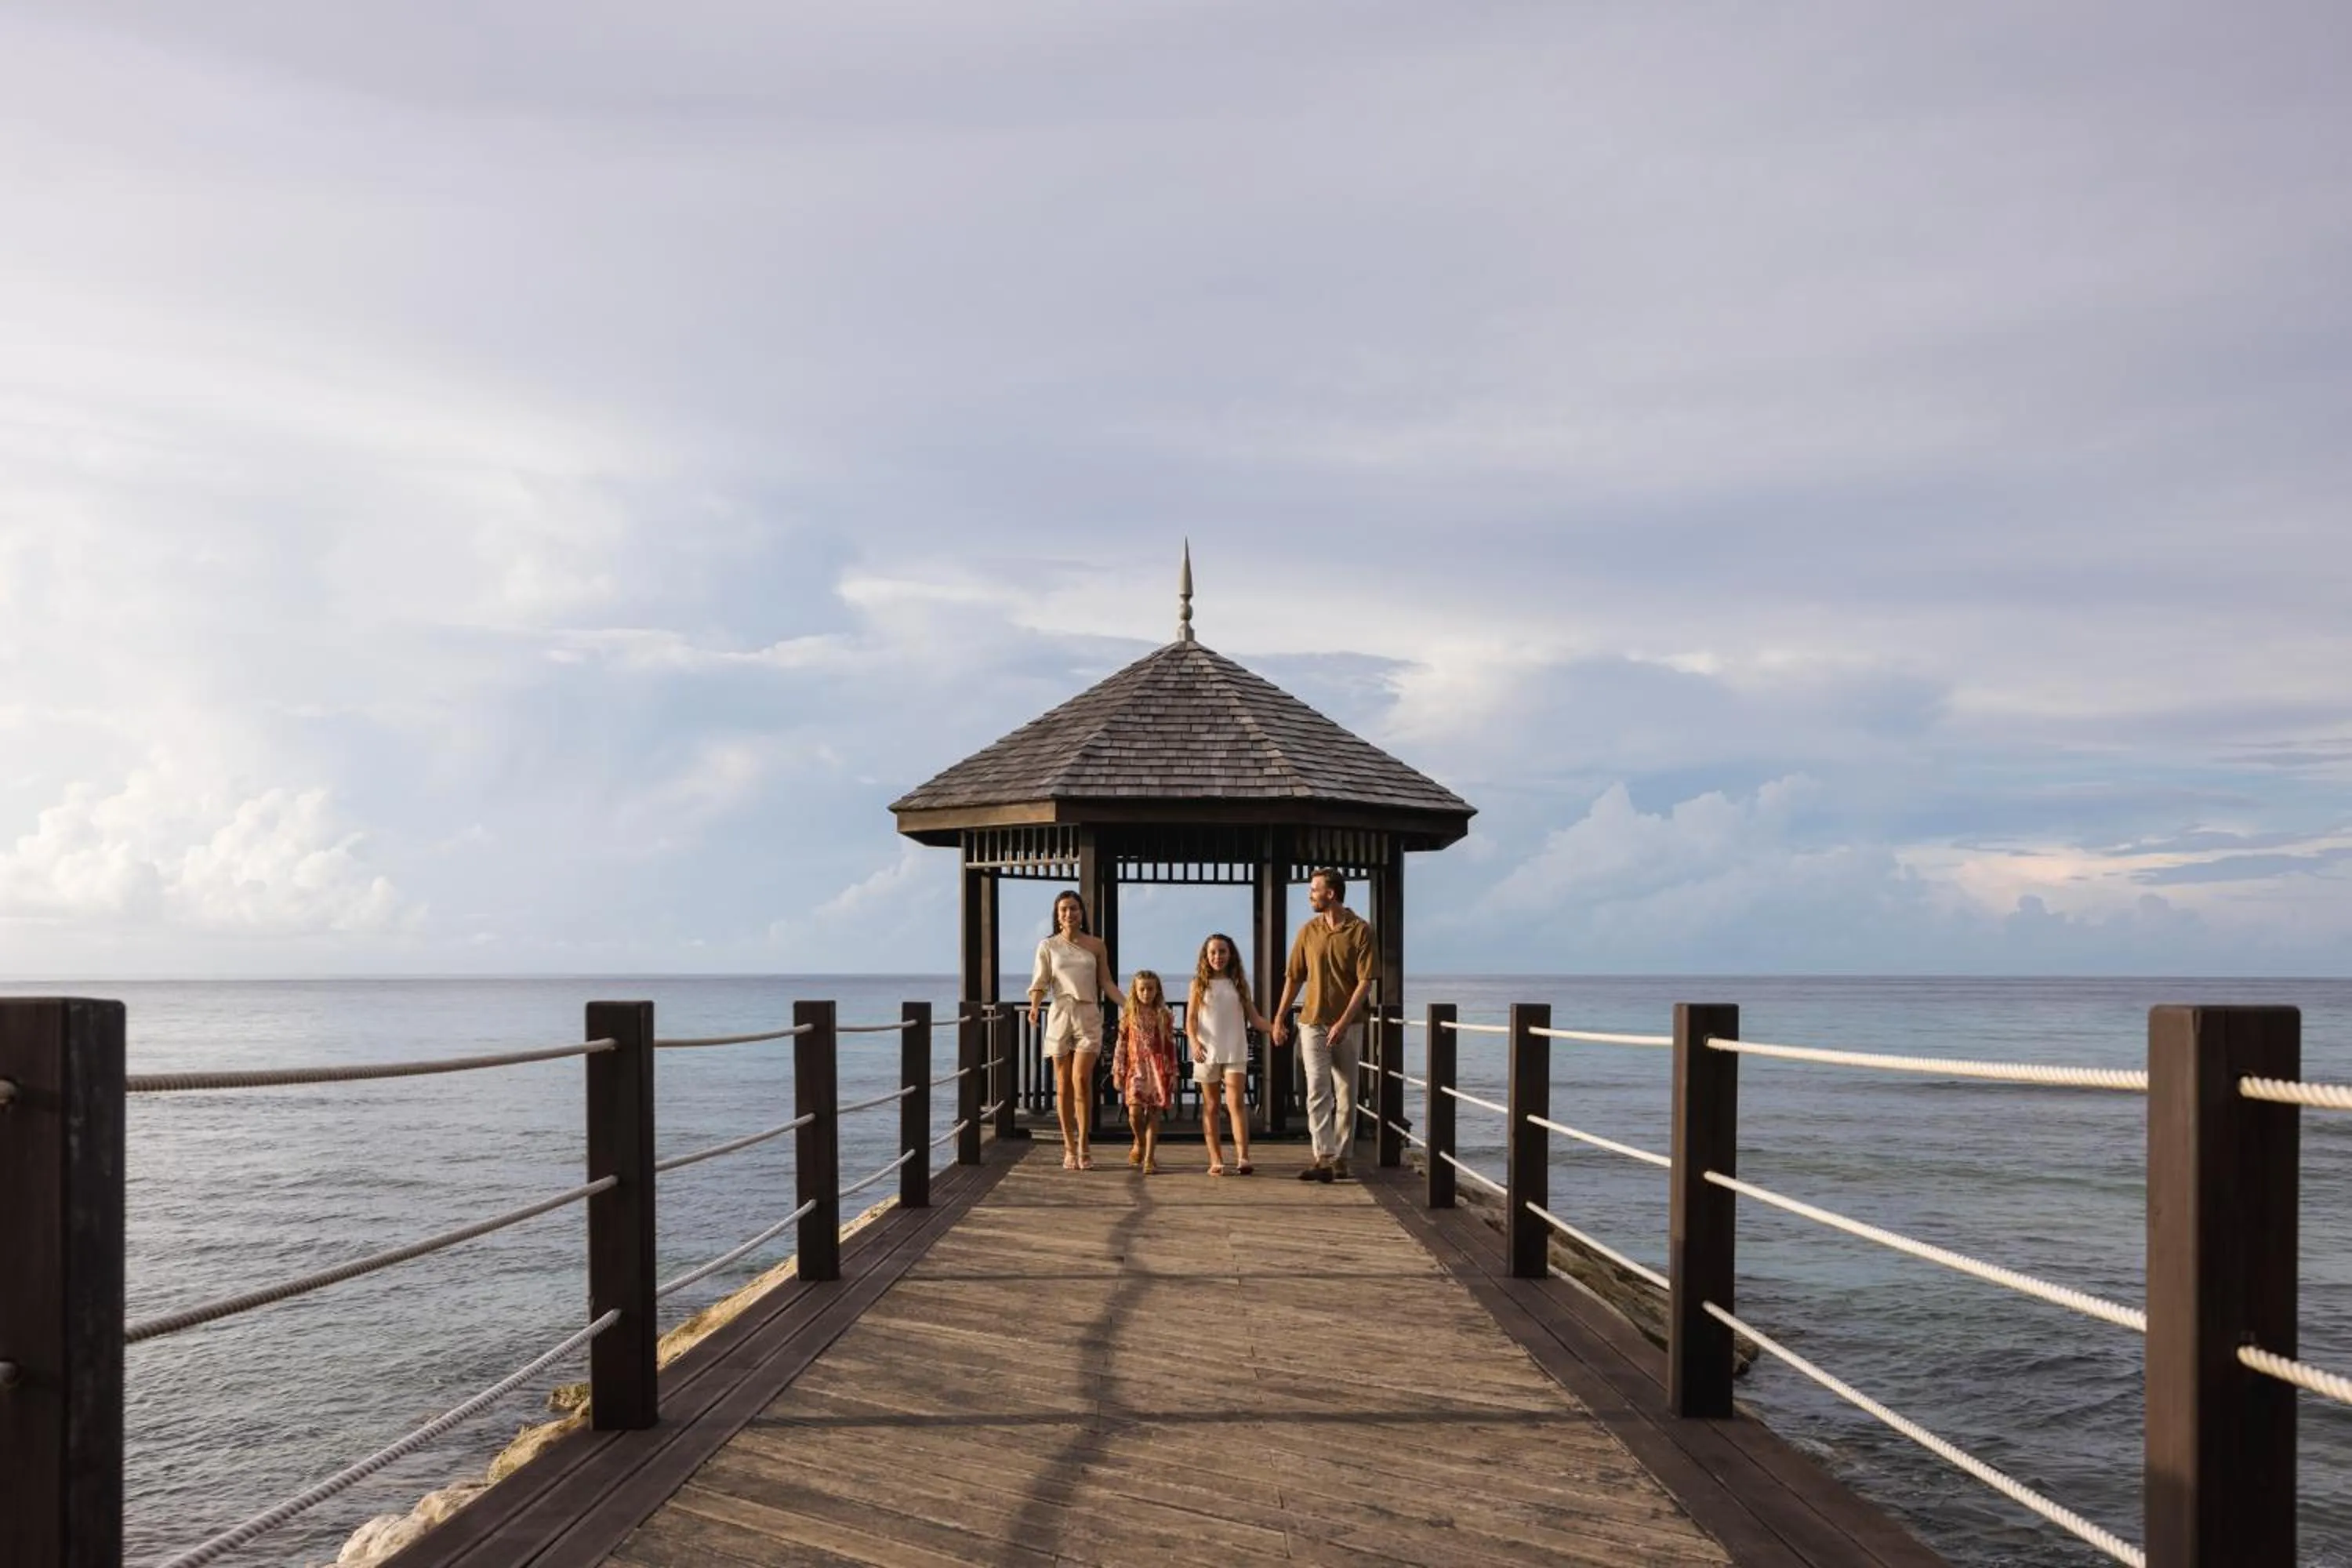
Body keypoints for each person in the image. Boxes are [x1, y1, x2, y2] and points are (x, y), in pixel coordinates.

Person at [1271, 868, 1377, 1182]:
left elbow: (1365, 982)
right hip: (1312, 1022)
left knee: (1346, 1092)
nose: (1310, 895)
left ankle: (1342, 1158)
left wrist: (1344, 1022)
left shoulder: (1361, 931)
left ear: (1331, 893)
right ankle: (1323, 1157)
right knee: (1318, 1088)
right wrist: (1279, 1017)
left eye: (1314, 890)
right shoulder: (1308, 931)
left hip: (1350, 1025)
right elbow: (1294, 978)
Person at [1026, 889, 1123, 1171]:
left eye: (1074, 908)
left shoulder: (1096, 945)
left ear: (1082, 913)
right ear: (1057, 915)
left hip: (1088, 1014)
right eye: (1064, 909)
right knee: (1063, 1083)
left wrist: (1130, 1005)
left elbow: (1106, 982)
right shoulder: (1048, 946)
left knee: (1081, 1079)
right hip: (1060, 1015)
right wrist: (1034, 1007)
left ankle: (1084, 1144)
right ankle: (1069, 1146)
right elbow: (1041, 981)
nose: (1069, 913)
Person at [1188, 931, 1269, 1176]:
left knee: (1236, 1103)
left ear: (1230, 954)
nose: (1218, 956)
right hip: (1206, 1051)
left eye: (1222, 951)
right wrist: (1194, 1043)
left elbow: (1255, 1019)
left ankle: (1243, 1158)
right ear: (1206, 956)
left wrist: (1274, 1028)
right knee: (1211, 1105)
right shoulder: (1198, 984)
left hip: (1235, 1049)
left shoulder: (1240, 984)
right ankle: (1216, 1159)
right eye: (1213, 952)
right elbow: (1191, 1020)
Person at [1114, 970, 1178, 1174]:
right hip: (1136, 1069)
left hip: (1158, 1070)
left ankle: (1149, 1158)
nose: (1146, 993)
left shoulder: (1164, 1016)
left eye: (1150, 989)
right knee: (1134, 1113)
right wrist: (1118, 1070)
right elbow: (1121, 1044)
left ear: (1157, 990)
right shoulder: (1129, 1016)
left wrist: (1173, 1073)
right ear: (1135, 990)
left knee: (1154, 1114)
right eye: (1142, 989)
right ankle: (1140, 1142)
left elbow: (1171, 1046)